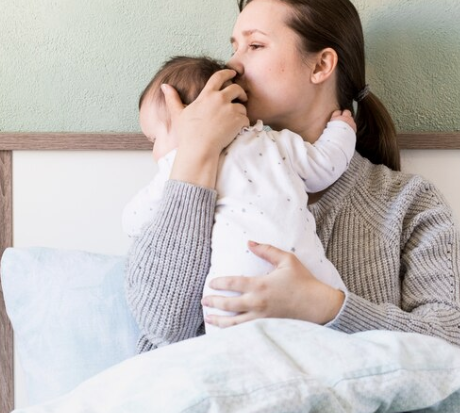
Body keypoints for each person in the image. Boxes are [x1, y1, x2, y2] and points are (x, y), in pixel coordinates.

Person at [125, 0, 460, 360]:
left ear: (320, 65)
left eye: (254, 45)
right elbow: (163, 326)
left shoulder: (407, 203)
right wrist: (195, 155)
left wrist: (328, 306)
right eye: (233, 47)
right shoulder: (185, 178)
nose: (232, 65)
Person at [123, 55, 356, 329]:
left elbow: (133, 220)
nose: (237, 62)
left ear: (188, 116)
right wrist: (342, 128)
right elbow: (325, 163)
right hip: (313, 278)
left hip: (232, 299)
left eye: (154, 139)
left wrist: (183, 165)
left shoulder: (173, 167)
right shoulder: (275, 144)